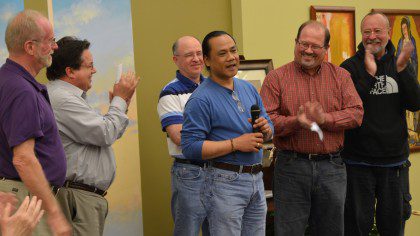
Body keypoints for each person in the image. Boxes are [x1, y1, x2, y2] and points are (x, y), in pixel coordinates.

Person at [260, 21, 364, 236]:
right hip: (291, 167)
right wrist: (296, 122)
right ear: (295, 43)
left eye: (315, 46)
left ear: (326, 49)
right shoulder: (276, 78)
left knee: (331, 231)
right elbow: (266, 122)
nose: (307, 50)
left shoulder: (341, 77)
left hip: (332, 168)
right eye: (303, 43)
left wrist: (325, 118)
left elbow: (356, 114)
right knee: (289, 231)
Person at [182, 31, 273, 236]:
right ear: (207, 60)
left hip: (256, 180)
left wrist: (267, 129)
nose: (231, 57)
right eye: (222, 53)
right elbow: (190, 147)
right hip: (224, 184)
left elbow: (269, 125)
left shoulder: (248, 88)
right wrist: (235, 144)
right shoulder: (200, 99)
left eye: (233, 51)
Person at [45, 36, 139, 235]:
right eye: (90, 66)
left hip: (82, 199)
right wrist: (120, 101)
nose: (94, 71)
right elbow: (105, 133)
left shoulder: (70, 98)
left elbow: (107, 134)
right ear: (70, 71)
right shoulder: (62, 99)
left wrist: (121, 105)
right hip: (78, 200)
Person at [340, 13, 420, 236]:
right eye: (367, 32)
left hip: (394, 165)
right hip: (357, 164)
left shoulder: (400, 64)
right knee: (355, 229)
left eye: (377, 31)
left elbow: (415, 103)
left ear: (387, 33)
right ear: (361, 34)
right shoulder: (349, 67)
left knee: (394, 229)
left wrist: (403, 71)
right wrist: (369, 74)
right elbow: (348, 108)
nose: (372, 36)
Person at [0, 10, 71, 236]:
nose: (56, 47)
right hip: (25, 198)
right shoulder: (20, 90)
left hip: (22, 194)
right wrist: (54, 213)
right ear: (30, 47)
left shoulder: (9, 82)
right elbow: (23, 159)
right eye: (50, 40)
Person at [157, 36, 209, 236]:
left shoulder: (214, 87)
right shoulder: (170, 93)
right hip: (189, 172)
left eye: (199, 54)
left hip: (218, 172)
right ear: (175, 60)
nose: (196, 59)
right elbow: (180, 137)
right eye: (189, 55)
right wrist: (218, 133)